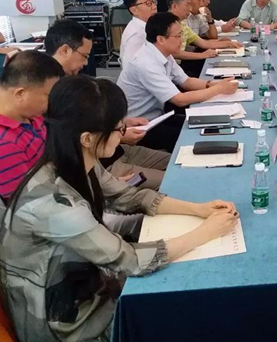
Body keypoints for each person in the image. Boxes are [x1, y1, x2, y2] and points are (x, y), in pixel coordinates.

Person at [0, 75, 240, 342]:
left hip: (88, 289)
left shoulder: (75, 162)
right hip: (71, 332)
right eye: (118, 127)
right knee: (187, 321)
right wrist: (205, 233)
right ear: (87, 138)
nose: (122, 132)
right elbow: (130, 260)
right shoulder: (54, 204)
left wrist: (199, 209)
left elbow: (130, 197)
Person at [45, 20, 170, 189]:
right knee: (173, 182)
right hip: (104, 163)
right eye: (85, 56)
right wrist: (118, 133)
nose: (86, 63)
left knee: (177, 163)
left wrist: (121, 123)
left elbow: (91, 119)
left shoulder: (71, 81)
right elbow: (71, 139)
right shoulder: (52, 93)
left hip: (118, 149)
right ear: (65, 50)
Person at [117, 12, 239, 152]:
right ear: (161, 39)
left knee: (204, 125)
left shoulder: (163, 54)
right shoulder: (145, 63)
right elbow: (179, 100)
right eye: (178, 36)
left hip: (157, 117)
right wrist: (218, 89)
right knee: (194, 138)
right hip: (138, 127)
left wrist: (214, 84)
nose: (182, 40)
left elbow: (186, 81)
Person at [0, 51, 64, 201]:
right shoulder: (5, 145)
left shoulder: (31, 115)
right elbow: (24, 204)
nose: (51, 104)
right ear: (20, 94)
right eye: (48, 96)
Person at [167, 0, 241, 77]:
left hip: (179, 66)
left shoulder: (182, 23)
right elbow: (174, 53)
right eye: (187, 5)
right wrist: (202, 55)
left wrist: (229, 43)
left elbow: (203, 43)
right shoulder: (166, 24)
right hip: (171, 69)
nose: (190, 9)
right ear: (174, 6)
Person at [120, 0, 158, 67]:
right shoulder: (137, 35)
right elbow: (130, 67)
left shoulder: (148, 27)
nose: (154, 7)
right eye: (148, 3)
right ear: (134, 10)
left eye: (154, 2)